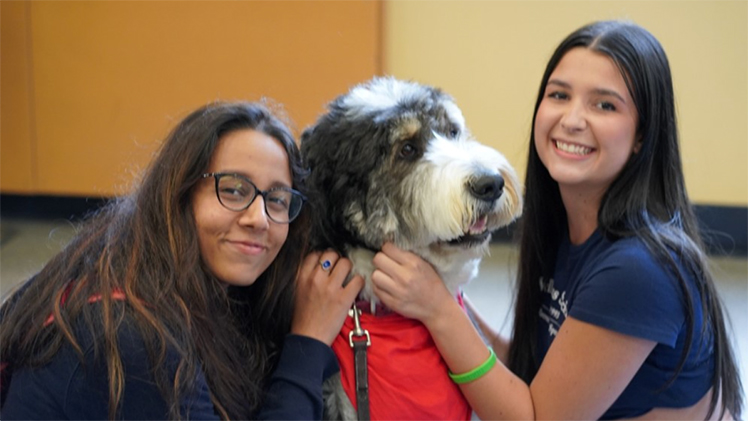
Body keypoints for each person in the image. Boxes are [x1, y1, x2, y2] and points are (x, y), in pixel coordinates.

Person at [370, 20, 743, 420]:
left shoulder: (637, 269)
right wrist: (441, 292)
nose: (572, 119)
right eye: (559, 95)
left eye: (605, 105)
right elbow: (532, 373)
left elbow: (535, 416)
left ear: (642, 135)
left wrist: (439, 308)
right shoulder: (568, 228)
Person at [0, 101, 364, 420]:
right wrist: (308, 342)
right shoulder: (131, 332)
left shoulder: (189, 282)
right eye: (234, 190)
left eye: (278, 199)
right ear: (179, 194)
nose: (260, 219)